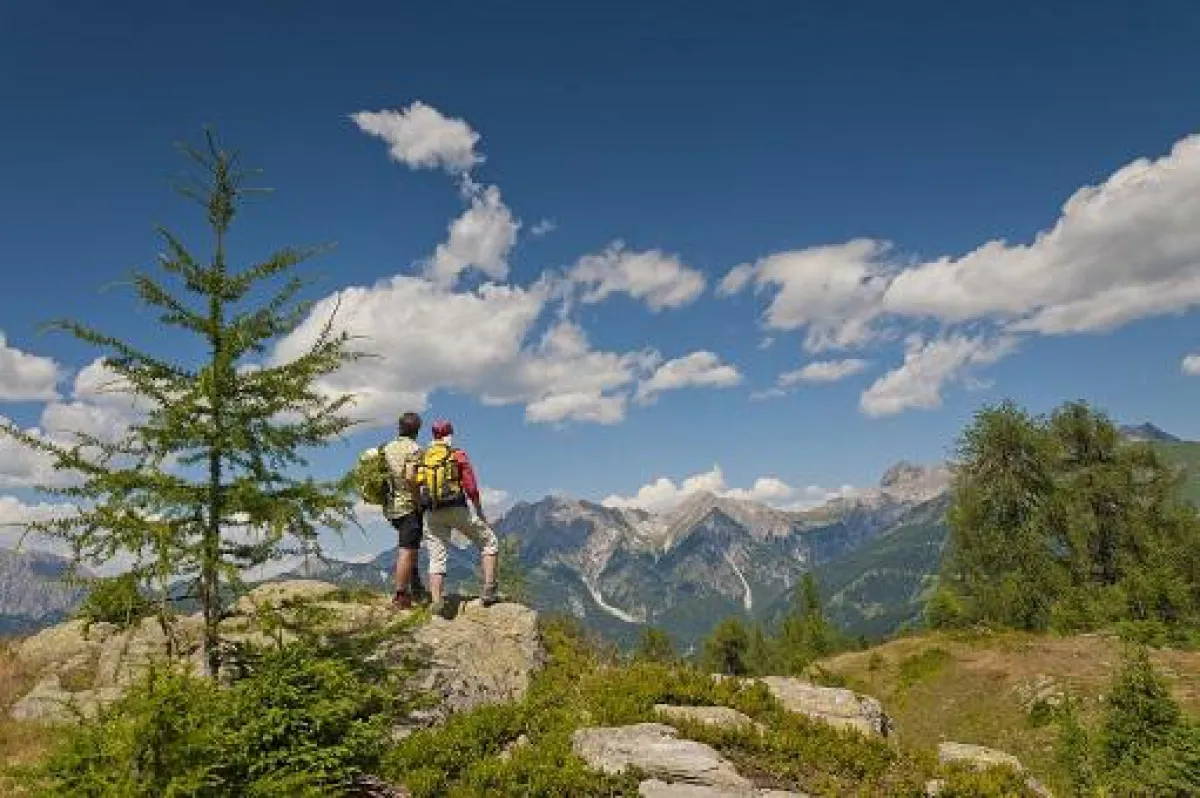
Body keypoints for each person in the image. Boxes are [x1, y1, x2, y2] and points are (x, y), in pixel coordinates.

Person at [419, 418, 501, 613]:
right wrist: (479, 511)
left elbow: (416, 482)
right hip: (456, 508)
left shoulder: (424, 456)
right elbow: (470, 486)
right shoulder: (457, 455)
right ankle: (489, 589)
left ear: (433, 436)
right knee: (489, 542)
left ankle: (437, 601)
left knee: (436, 557)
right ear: (450, 434)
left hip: (431, 511)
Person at [382, 411, 429, 609]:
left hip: (391, 506)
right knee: (408, 550)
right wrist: (417, 500)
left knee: (412, 544)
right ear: (417, 431)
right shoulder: (415, 449)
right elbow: (411, 477)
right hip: (407, 506)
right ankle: (401, 595)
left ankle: (415, 584)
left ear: (399, 428)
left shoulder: (387, 448)